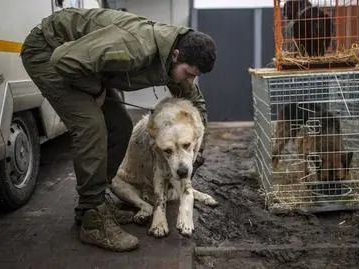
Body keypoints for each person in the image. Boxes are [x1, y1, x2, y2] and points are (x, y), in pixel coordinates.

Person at [20, 8, 216, 252]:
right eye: (188, 74)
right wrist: (96, 90)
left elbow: (194, 101)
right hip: (49, 51)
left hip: (83, 64)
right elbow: (63, 60)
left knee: (121, 126)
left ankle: (96, 201)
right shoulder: (137, 48)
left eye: (194, 76)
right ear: (176, 55)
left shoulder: (172, 58)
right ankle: (92, 218)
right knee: (91, 125)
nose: (188, 80)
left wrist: (199, 144)